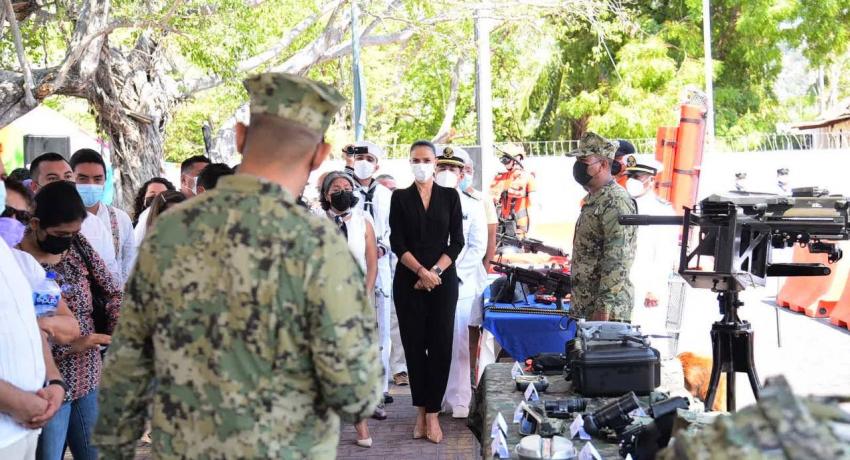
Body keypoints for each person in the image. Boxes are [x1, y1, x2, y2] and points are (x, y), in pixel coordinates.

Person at [93, 72, 381, 459]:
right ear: (320, 155)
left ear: (241, 137)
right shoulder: (320, 246)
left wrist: (114, 447)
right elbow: (355, 392)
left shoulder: (170, 230)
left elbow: (127, 362)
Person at [16, 180, 122, 460]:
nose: (67, 239)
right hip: (44, 380)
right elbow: (18, 330)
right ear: (36, 223)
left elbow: (111, 292)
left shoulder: (77, 245)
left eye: (74, 233)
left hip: (87, 370)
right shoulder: (16, 259)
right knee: (48, 454)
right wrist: (68, 345)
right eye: (61, 233)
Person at [390, 140, 464, 444]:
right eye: (415, 159)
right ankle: (419, 410)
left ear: (435, 162)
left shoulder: (450, 197)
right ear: (410, 162)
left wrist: (434, 273)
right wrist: (420, 272)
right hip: (408, 281)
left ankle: (433, 414)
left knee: (440, 346)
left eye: (425, 159)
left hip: (442, 281)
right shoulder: (400, 197)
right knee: (414, 348)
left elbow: (456, 242)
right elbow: (397, 242)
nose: (420, 164)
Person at [0, 167, 67, 460]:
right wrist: (17, 403)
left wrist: (54, 381)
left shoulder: (14, 259)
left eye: (21, 216)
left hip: (23, 429)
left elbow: (31, 325)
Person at [320, 171, 379, 448]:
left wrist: (365, 294)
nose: (342, 191)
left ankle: (361, 425)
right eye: (336, 188)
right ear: (325, 194)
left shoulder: (362, 221)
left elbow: (371, 262)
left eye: (347, 187)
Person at [434, 147, 487, 419]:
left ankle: (460, 399)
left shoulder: (473, 205)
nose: (447, 173)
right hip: (428, 282)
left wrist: (453, 272)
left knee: (459, 342)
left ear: (460, 173)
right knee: (433, 341)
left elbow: (478, 247)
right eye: (442, 168)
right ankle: (437, 398)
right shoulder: (424, 201)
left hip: (460, 281)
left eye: (452, 169)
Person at [568, 132, 637, 322]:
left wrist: (603, 308)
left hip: (606, 313)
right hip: (588, 307)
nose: (579, 167)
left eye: (585, 161)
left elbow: (618, 258)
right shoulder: (595, 198)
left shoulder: (615, 201)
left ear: (604, 165)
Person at [4, 178, 81, 344]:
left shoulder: (25, 264)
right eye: (5, 212)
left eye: (22, 216)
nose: (13, 221)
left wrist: (36, 325)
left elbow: (71, 326)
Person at [28, 153, 121, 285]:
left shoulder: (93, 224)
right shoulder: (19, 231)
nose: (63, 183)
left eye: (68, 176)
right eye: (53, 178)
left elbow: (111, 275)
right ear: (34, 186)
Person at [457, 150, 499, 385]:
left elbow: (489, 239)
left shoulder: (481, 200)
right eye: (460, 170)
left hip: (474, 273)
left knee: (472, 327)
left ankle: (474, 378)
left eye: (468, 170)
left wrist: (485, 267)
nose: (464, 174)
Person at [623, 155, 677, 333]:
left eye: (637, 177)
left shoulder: (662, 210)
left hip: (645, 286)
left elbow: (665, 254)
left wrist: (655, 289)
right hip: (621, 285)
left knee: (645, 337)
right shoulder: (622, 205)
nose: (632, 181)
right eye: (630, 176)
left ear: (651, 180)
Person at [70, 149, 136, 285]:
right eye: (82, 178)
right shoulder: (58, 219)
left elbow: (128, 263)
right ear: (70, 178)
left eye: (97, 179)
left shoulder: (120, 219)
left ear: (105, 180)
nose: (91, 184)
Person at [489, 143, 536, 238]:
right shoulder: (499, 177)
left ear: (517, 160)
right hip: (500, 224)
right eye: (503, 160)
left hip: (520, 226)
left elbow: (533, 206)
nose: (504, 162)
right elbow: (490, 201)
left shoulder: (528, 177)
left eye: (506, 159)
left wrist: (531, 230)